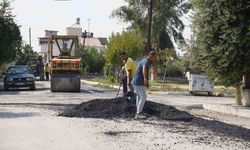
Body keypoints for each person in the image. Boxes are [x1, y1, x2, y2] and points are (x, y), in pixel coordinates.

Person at [132, 51, 157, 119]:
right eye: (155, 57)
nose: (155, 58)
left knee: (139, 96)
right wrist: (145, 79)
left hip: (136, 82)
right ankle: (138, 113)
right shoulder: (146, 62)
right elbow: (144, 68)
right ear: (151, 55)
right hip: (138, 82)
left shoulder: (145, 61)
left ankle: (139, 111)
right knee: (143, 96)